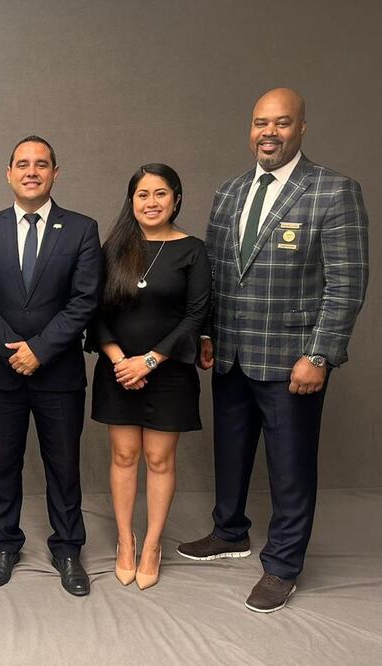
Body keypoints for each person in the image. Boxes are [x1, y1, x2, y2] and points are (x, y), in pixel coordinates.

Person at [178, 88, 369, 613]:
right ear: (250, 128)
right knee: (231, 455)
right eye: (261, 122)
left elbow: (347, 282)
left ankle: (282, 564)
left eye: (281, 123)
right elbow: (215, 272)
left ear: (301, 128)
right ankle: (229, 532)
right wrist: (209, 335)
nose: (269, 132)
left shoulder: (333, 191)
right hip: (232, 353)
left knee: (290, 466)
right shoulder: (229, 192)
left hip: (293, 362)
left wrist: (321, 354)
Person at [0, 136, 101, 596]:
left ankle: (68, 548)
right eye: (22, 165)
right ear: (9, 174)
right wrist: (12, 351)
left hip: (59, 374)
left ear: (54, 174)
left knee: (63, 466)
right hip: (3, 374)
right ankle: (5, 543)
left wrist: (40, 350)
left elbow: (85, 300)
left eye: (41, 165)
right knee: (3, 464)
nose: (32, 172)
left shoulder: (83, 229)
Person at [89, 163, 210, 590]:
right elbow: (94, 312)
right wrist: (122, 360)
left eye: (160, 193)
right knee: (123, 457)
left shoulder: (193, 250)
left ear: (176, 198)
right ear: (132, 200)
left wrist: (150, 361)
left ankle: (153, 544)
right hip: (117, 372)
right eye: (143, 194)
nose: (151, 202)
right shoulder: (113, 250)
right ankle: (126, 541)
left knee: (159, 460)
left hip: (169, 373)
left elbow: (197, 315)